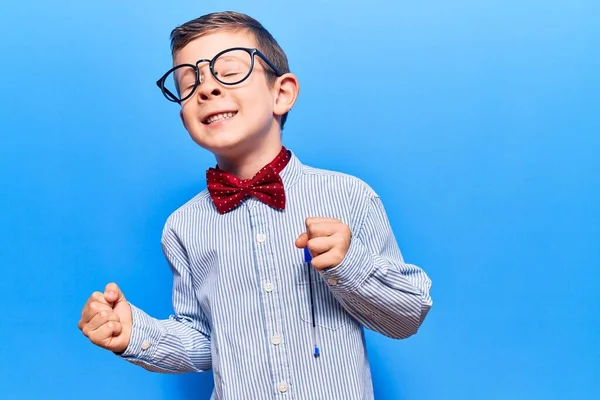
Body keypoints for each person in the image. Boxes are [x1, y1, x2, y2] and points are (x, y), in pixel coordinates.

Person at [78, 10, 433, 400]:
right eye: (188, 81)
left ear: (281, 93)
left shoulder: (349, 196)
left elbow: (407, 315)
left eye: (228, 71)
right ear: (183, 115)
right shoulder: (182, 227)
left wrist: (349, 263)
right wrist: (136, 334)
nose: (206, 89)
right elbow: (204, 341)